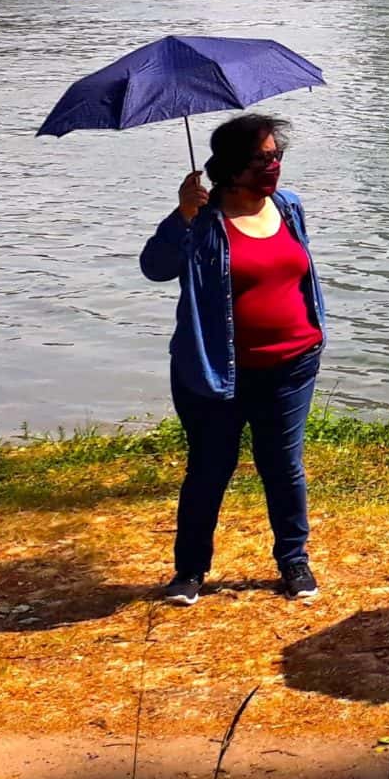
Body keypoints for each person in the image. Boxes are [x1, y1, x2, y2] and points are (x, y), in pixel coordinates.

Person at [138, 113, 326, 608]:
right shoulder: (202, 219)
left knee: (283, 466)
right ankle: (190, 570)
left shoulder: (288, 207)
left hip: (292, 363)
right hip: (214, 370)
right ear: (232, 166)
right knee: (209, 468)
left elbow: (298, 272)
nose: (274, 166)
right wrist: (182, 216)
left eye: (277, 155)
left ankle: (293, 560)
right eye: (263, 158)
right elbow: (154, 268)